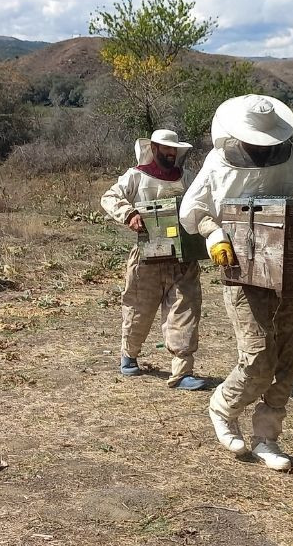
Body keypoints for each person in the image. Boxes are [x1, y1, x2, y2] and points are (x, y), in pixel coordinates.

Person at [180, 94, 293, 471]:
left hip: (284, 269)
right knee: (259, 356)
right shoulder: (218, 160)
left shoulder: (290, 156)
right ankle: (223, 407)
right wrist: (214, 234)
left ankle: (267, 436)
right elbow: (191, 211)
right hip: (241, 270)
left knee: (291, 357)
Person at [100, 129, 207, 391]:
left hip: (183, 258)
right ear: (155, 148)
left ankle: (182, 372)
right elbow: (109, 197)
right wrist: (129, 214)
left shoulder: (187, 178)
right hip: (147, 257)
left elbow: (203, 202)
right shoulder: (135, 176)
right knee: (138, 308)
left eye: (174, 149)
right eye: (165, 149)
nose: (171, 153)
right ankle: (129, 356)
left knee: (185, 311)